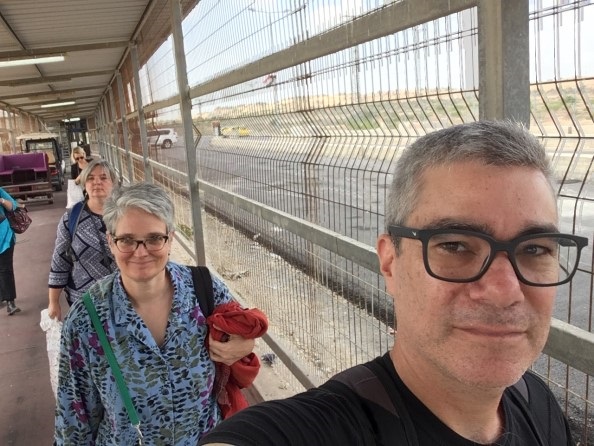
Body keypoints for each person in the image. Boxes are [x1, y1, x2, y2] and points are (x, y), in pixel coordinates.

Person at [199, 121, 588, 446]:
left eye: (535, 249)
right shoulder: (315, 431)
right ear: (390, 262)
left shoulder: (539, 404)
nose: (505, 291)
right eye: (454, 246)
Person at [54, 182, 256, 445]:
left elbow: (244, 328)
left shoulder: (205, 289)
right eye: (127, 240)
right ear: (110, 242)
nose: (141, 252)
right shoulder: (86, 320)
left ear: (170, 238)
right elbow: (74, 419)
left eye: (153, 239)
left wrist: (246, 342)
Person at [48, 159, 118, 320]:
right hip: (83, 301)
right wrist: (53, 301)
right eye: (90, 178)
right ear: (84, 183)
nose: (96, 182)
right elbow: (60, 261)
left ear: (113, 182)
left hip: (124, 298)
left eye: (103, 177)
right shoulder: (72, 217)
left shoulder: (126, 215)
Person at [0, 188, 21, 315]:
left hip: (4, 236)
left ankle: (10, 302)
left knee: (5, 268)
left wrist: (1, 200)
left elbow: (12, 206)